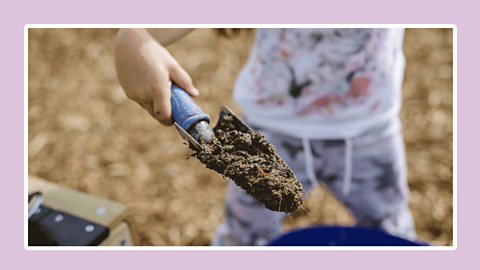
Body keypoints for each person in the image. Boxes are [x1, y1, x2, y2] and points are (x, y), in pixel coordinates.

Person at [114, 28, 417, 246]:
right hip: (270, 133)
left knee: (389, 232)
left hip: (368, 133)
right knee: (243, 238)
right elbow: (147, 31)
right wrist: (134, 38)